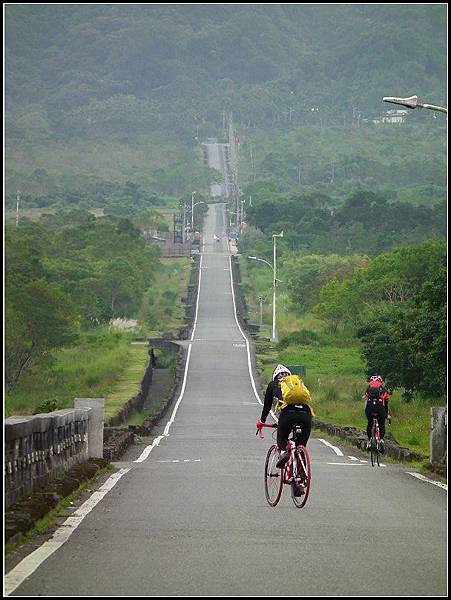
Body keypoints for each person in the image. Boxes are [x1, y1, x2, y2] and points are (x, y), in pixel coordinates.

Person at [257, 364, 313, 469]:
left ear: (275, 376)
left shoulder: (274, 384)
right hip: (306, 413)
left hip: (288, 413)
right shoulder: (297, 383)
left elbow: (267, 406)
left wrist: (262, 421)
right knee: (301, 446)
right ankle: (301, 477)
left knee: (281, 436)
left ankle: (283, 453)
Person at [364, 375, 391, 452]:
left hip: (369, 410)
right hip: (380, 409)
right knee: (381, 423)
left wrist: (367, 413)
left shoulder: (368, 389)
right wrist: (386, 415)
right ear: (381, 382)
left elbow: (366, 402)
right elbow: (385, 404)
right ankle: (381, 439)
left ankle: (369, 441)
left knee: (370, 423)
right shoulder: (383, 389)